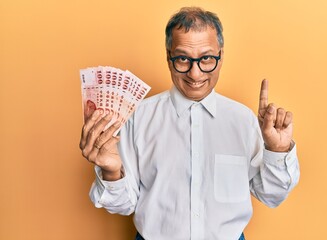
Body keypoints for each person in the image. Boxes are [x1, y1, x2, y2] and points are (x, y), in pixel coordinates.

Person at [79, 7, 300, 240]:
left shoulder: (244, 121)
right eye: (183, 58)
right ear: (168, 57)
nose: (195, 74)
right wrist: (111, 172)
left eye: (206, 58)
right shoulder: (138, 117)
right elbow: (124, 205)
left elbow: (271, 195)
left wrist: (278, 150)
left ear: (221, 56)